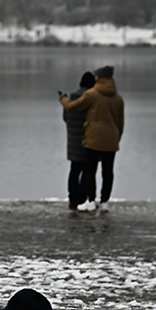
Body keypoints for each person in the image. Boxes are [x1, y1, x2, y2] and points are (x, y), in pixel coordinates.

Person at [59, 65, 124, 212]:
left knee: (88, 171)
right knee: (108, 171)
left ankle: (88, 200)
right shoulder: (118, 98)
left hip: (91, 139)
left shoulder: (92, 95)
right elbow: (121, 123)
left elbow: (72, 108)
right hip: (111, 139)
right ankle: (104, 201)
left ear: (99, 78)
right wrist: (117, 137)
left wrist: (63, 99)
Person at [62, 71, 95, 210]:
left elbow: (66, 118)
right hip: (89, 139)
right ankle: (82, 199)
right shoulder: (92, 99)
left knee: (74, 170)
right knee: (87, 171)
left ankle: (72, 199)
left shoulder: (70, 99)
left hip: (73, 140)